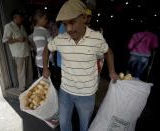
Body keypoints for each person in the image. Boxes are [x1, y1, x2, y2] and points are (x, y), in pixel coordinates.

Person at [42, 0, 118, 131]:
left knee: (85, 126)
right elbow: (46, 49)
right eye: (65, 24)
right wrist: (45, 67)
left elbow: (108, 52)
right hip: (65, 91)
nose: (69, 29)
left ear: (84, 18)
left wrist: (112, 71)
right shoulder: (61, 39)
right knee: (64, 125)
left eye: (72, 22)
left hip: (87, 94)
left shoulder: (96, 38)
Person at [2, 9, 33, 92]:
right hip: (18, 54)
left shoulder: (22, 26)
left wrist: (30, 46)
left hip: (26, 51)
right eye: (20, 17)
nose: (21, 19)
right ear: (14, 18)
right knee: (21, 72)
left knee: (28, 71)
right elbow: (5, 40)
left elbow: (25, 38)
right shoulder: (9, 26)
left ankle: (28, 86)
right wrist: (17, 39)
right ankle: (22, 89)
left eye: (21, 17)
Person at [32, 9, 53, 77]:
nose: (46, 21)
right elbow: (50, 47)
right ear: (39, 19)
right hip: (46, 63)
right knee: (48, 84)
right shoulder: (44, 31)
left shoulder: (35, 31)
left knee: (44, 83)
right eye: (45, 18)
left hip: (39, 61)